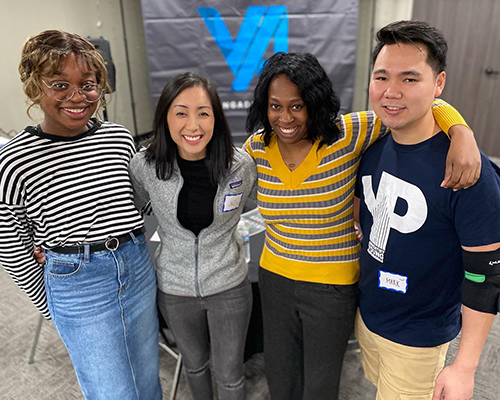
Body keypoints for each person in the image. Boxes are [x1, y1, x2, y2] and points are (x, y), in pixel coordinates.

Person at [243, 51, 481, 400]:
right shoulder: (258, 148)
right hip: (274, 279)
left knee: (320, 385)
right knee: (279, 376)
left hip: (331, 287)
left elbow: (416, 111)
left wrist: (461, 131)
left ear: (315, 102)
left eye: (297, 105)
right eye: (275, 106)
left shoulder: (349, 132)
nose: (285, 117)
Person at [0, 30, 161, 400]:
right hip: (78, 283)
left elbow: (142, 208)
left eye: (88, 84)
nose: (77, 97)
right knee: (113, 392)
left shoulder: (118, 138)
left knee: (148, 379)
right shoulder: (15, 160)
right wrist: (52, 303)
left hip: (136, 268)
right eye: (59, 84)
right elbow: (12, 247)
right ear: (34, 87)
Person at [354, 20, 500, 400]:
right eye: (381, 77)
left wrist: (465, 367)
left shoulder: (467, 171)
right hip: (369, 318)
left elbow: (486, 275)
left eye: (409, 79)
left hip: (419, 338)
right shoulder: (372, 148)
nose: (391, 92)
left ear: (439, 85)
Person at [129, 72, 257, 400]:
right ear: (166, 118)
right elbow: (137, 206)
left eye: (203, 113)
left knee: (230, 375)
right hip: (174, 287)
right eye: (181, 112)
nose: (193, 125)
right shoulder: (145, 166)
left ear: (216, 117)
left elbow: (255, 208)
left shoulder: (240, 165)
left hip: (229, 286)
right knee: (195, 365)